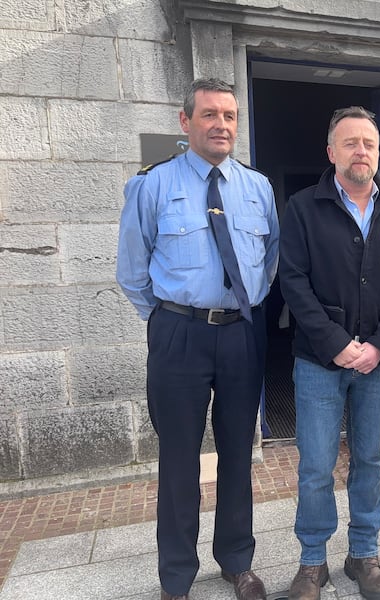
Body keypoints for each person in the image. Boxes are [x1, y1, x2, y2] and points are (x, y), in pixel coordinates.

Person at [116, 78, 278, 600]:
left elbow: (270, 258)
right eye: (209, 114)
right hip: (178, 335)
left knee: (238, 452)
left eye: (229, 116)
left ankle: (237, 560)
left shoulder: (258, 188)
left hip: (240, 338)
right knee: (180, 459)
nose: (221, 125)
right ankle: (177, 577)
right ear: (186, 122)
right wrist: (168, 318)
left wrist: (244, 304)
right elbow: (132, 271)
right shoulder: (153, 184)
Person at [278, 106, 380, 600]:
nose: (362, 151)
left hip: (377, 366)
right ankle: (313, 562)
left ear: (378, 153)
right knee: (315, 464)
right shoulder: (302, 207)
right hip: (318, 363)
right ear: (331, 152)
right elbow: (292, 282)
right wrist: (336, 344)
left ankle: (364, 554)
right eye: (351, 142)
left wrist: (379, 345)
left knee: (370, 460)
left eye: (370, 144)